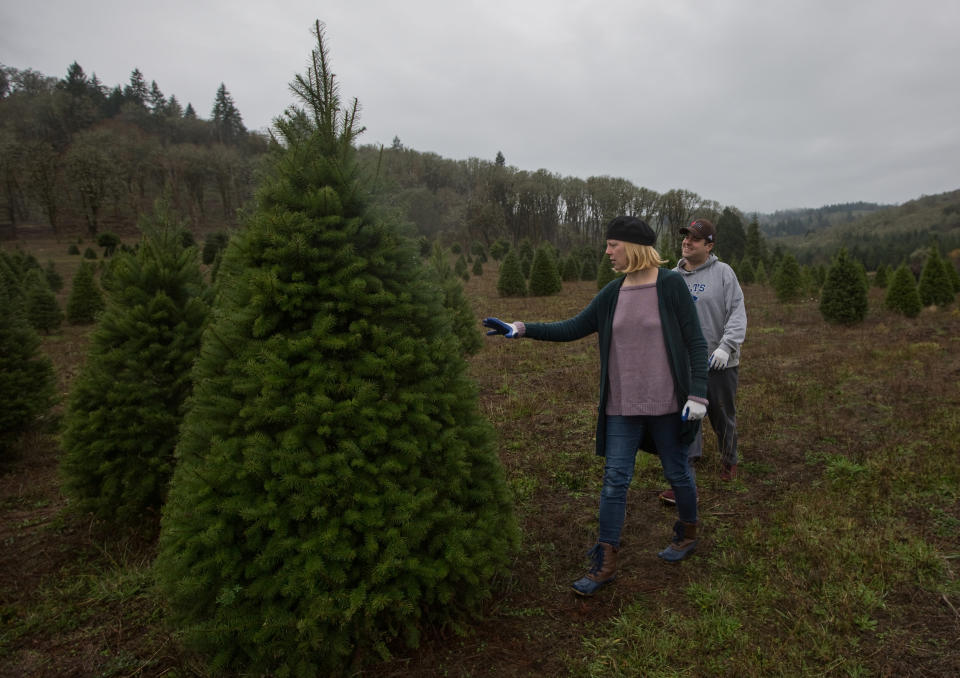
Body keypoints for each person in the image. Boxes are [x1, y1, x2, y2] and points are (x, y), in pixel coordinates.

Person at [483, 216, 709, 597]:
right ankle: (605, 560)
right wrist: (522, 328)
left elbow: (697, 343)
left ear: (632, 247)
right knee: (614, 481)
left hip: (667, 404)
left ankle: (687, 532)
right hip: (621, 405)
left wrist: (698, 394)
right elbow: (573, 327)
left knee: (677, 471)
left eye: (612, 245)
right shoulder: (613, 292)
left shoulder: (670, 285)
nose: (606, 252)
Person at [659, 218, 747, 506]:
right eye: (685, 237)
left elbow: (737, 312)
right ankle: (685, 474)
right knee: (687, 417)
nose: (687, 242)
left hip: (720, 362)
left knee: (722, 415)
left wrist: (726, 347)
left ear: (709, 245)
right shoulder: (671, 278)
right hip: (685, 363)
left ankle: (729, 459)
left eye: (695, 239)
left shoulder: (724, 274)